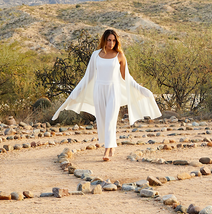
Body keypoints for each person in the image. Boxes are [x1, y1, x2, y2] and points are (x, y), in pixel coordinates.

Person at [52, 28, 161, 160]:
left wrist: (139, 88)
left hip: (113, 91)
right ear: (104, 40)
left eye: (114, 40)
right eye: (109, 40)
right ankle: (111, 145)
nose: (111, 43)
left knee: (110, 120)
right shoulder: (95, 55)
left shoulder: (120, 56)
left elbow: (126, 76)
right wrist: (76, 91)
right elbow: (88, 76)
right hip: (98, 90)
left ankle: (107, 150)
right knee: (102, 121)